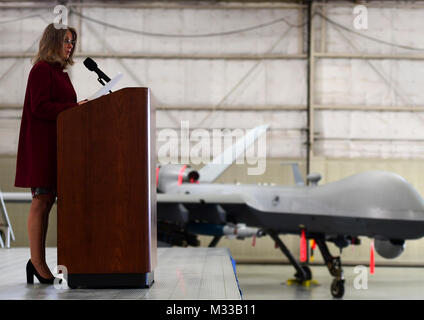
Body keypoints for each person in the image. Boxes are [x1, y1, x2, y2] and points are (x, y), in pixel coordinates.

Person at [14, 23, 87, 284]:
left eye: (72, 42)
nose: (70, 46)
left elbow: (61, 107)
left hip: (58, 147)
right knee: (41, 201)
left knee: (47, 202)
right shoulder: (41, 70)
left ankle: (38, 261)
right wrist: (73, 108)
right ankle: (37, 262)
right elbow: (41, 107)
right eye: (66, 41)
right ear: (52, 42)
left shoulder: (60, 74)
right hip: (41, 147)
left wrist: (77, 109)